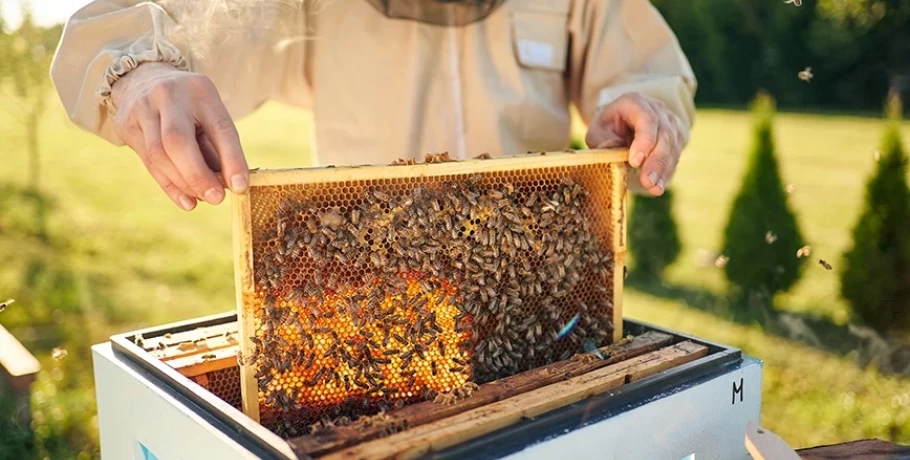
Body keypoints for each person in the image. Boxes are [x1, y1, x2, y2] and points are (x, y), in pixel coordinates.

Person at [51, 0, 696, 212]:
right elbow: (141, 20)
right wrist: (138, 72)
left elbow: (649, 70)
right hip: (372, 299)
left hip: (541, 298)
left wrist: (639, 108)